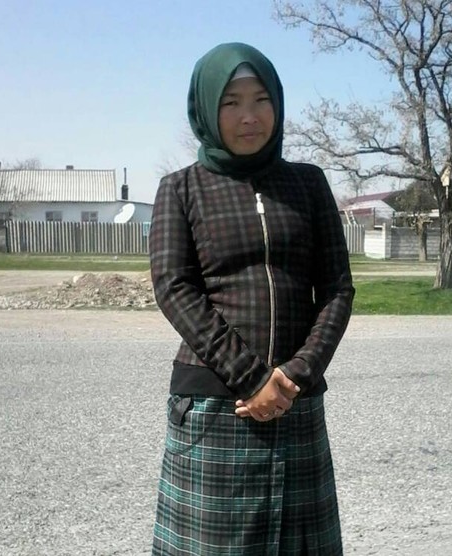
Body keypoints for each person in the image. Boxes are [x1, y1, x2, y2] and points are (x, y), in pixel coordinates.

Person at [149, 42, 355, 556]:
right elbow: (174, 288)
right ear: (206, 109)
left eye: (261, 99)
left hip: (295, 400)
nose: (249, 116)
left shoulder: (308, 184)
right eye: (231, 102)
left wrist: (296, 374)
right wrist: (252, 379)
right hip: (216, 406)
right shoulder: (181, 189)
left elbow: (336, 288)